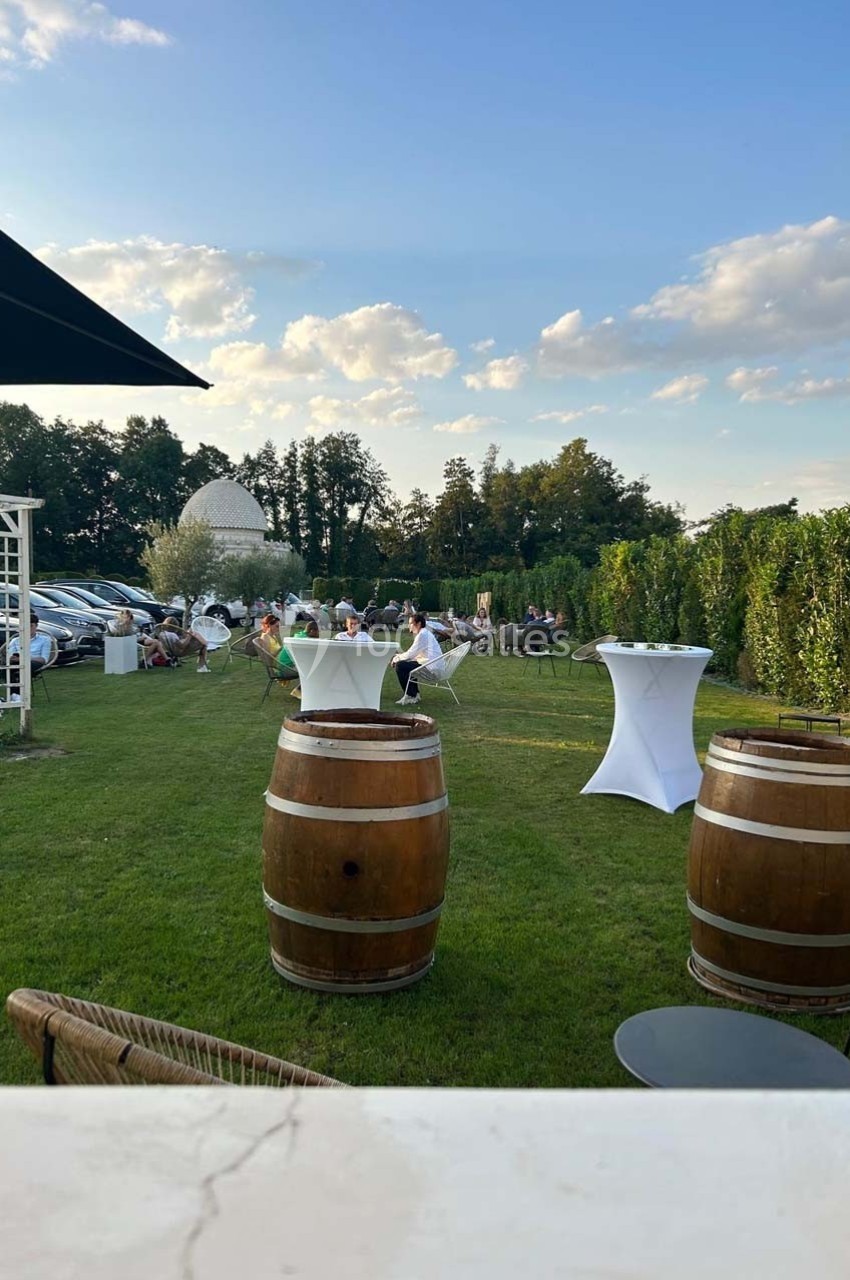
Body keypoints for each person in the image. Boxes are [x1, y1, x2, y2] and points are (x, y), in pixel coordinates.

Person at [392, 611, 444, 705]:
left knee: (400, 665)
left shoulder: (422, 635)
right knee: (407, 664)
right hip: (432, 665)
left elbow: (410, 654)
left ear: (419, 624)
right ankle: (414, 694)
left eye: (411, 623)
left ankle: (411, 695)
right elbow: (414, 654)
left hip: (432, 669)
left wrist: (396, 658)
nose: (409, 626)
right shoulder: (424, 633)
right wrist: (400, 657)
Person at [5, 616, 51, 702]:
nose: (28, 628)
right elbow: (10, 655)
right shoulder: (15, 640)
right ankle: (15, 695)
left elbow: (44, 659)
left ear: (36, 626)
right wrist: (14, 658)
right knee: (7, 667)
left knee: (24, 667)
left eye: (31, 626)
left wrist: (25, 659)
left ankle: (16, 695)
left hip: (34, 662)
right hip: (16, 662)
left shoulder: (45, 640)